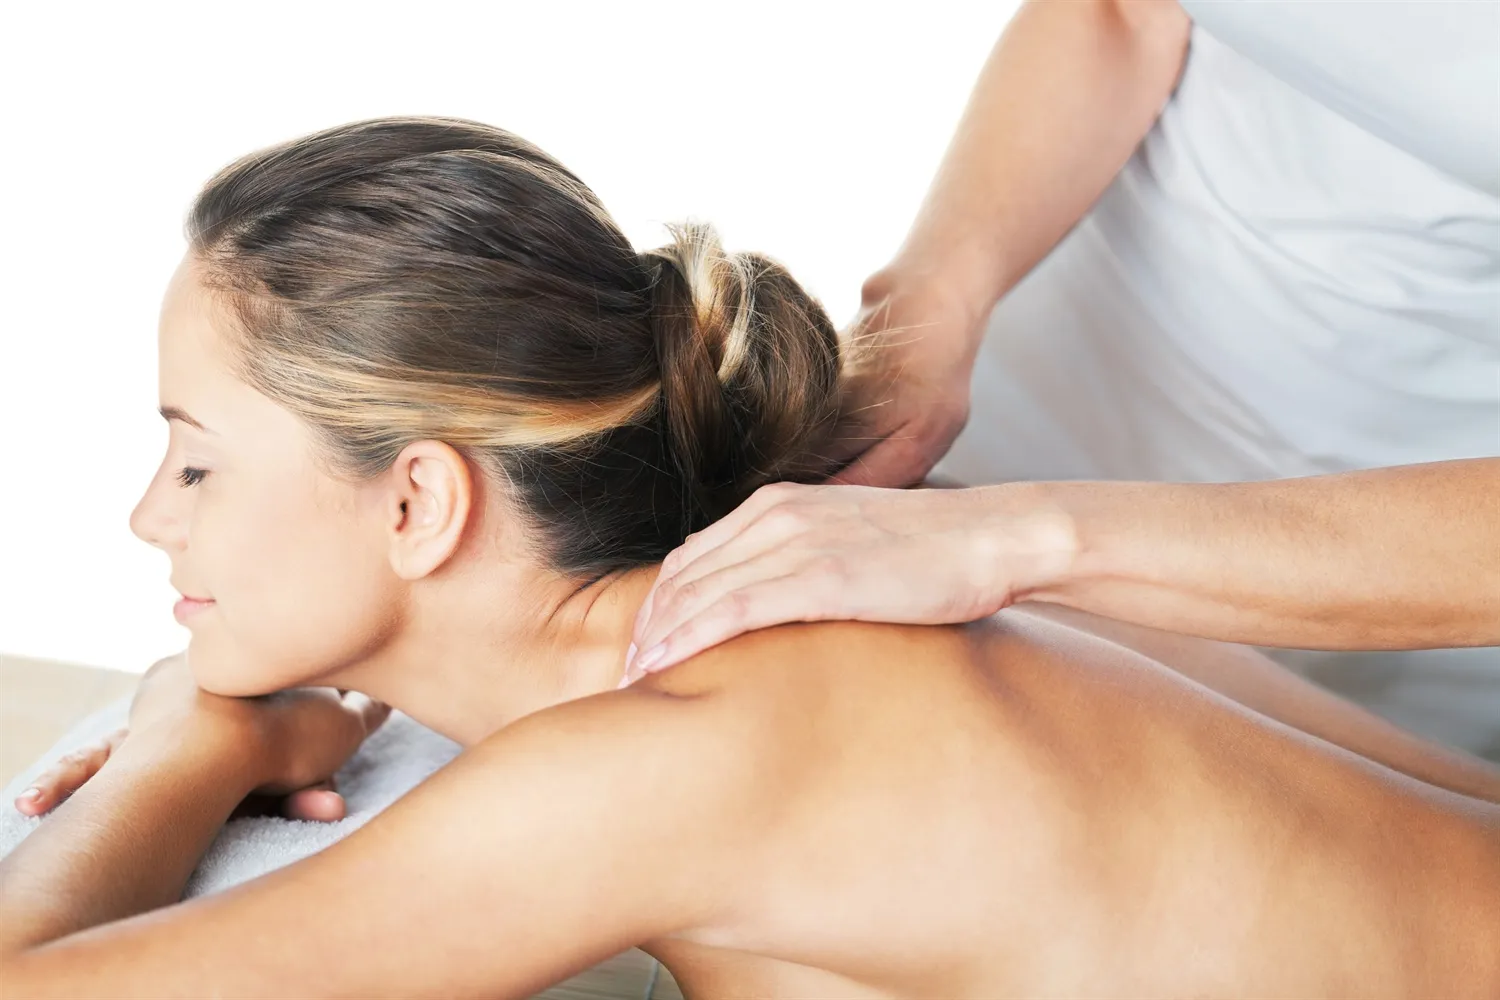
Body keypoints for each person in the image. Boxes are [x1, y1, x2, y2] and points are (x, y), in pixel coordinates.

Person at [3, 116, 1499, 997]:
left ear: (419, 505)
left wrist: (180, 749)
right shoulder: (855, 595)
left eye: (197, 457)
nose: (152, 515)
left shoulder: (648, 763)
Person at [626, 0, 1500, 757]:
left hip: (1415, 527)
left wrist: (1021, 542)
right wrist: (932, 298)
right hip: (1065, 343)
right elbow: (1125, 13)